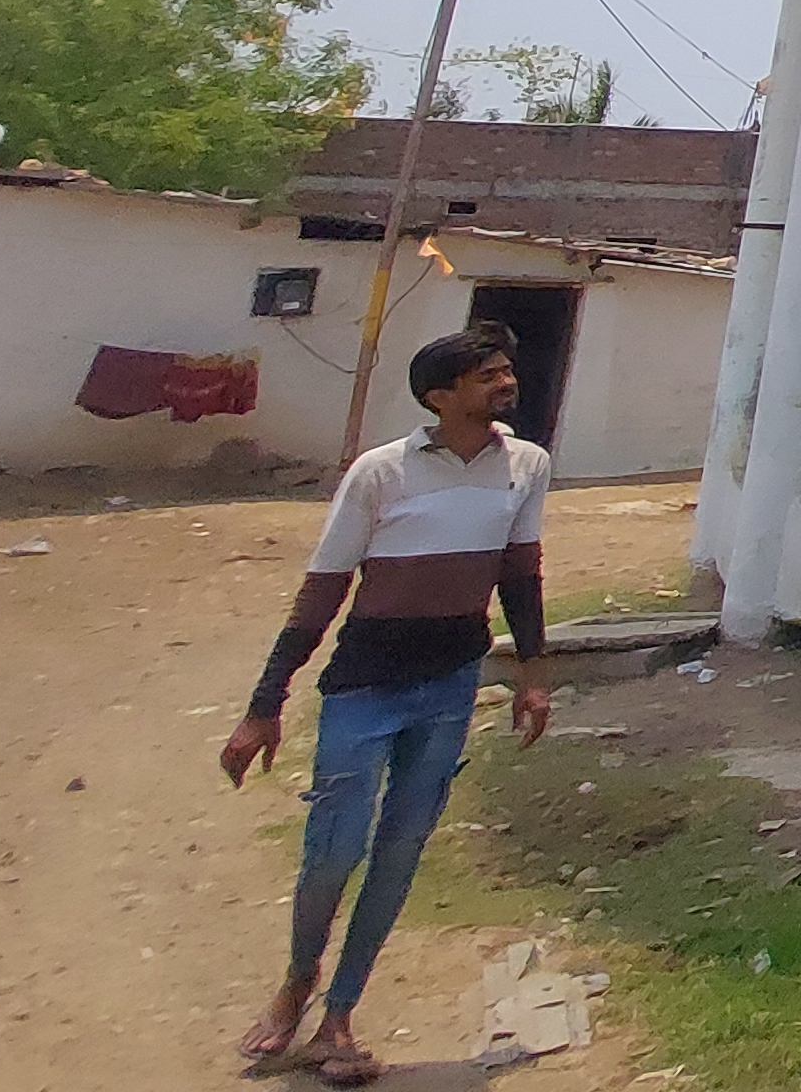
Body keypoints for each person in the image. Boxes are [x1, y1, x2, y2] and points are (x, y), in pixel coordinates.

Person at [222, 326, 555, 1083]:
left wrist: (534, 674)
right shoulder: (382, 472)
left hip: (450, 686)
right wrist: (264, 704)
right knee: (334, 849)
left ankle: (340, 1013)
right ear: (440, 398)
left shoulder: (526, 465)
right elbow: (324, 590)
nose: (505, 384)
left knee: (400, 852)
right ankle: (296, 983)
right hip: (364, 686)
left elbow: (521, 574)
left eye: (506, 370)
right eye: (486, 376)